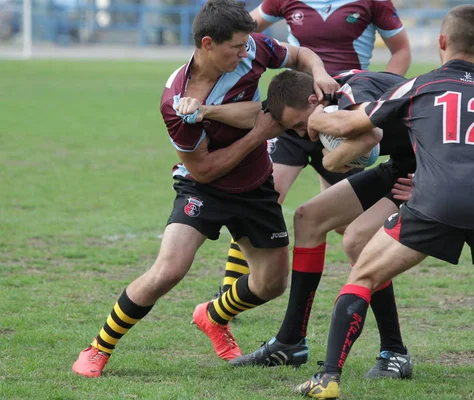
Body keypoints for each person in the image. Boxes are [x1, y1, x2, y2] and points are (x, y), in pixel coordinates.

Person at [293, 5, 474, 398]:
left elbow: (350, 125)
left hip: (434, 204)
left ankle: (328, 378)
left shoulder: (419, 85)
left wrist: (315, 121)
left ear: (441, 41)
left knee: (362, 273)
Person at [71, 0, 339, 378]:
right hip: (203, 188)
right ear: (208, 44)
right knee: (169, 270)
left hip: (256, 184)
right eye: (236, 47)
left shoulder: (253, 50)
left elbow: (300, 53)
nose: (245, 53)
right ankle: (98, 348)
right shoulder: (176, 101)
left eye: (247, 45)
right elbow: (206, 169)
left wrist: (321, 72)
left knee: (272, 283)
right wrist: (259, 134)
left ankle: (213, 316)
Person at [228, 69, 416, 380]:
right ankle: (291, 341)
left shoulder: (352, 90)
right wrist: (203, 110)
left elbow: (371, 136)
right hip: (401, 165)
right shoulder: (328, 89)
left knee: (356, 240)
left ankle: (394, 351)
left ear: (315, 101)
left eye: (303, 124)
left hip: (429, 171)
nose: (305, 134)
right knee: (308, 218)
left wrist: (330, 160)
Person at [215, 0, 412, 296]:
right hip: (298, 109)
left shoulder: (373, 2)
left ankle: (373, 284)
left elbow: (401, 49)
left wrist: (381, 101)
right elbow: (243, 31)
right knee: (268, 195)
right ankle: (230, 287)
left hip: (345, 116)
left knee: (347, 225)